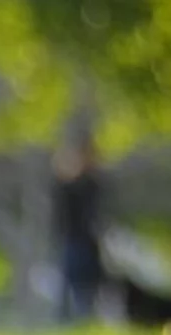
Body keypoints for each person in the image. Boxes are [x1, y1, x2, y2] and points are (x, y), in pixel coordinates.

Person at [52, 128, 107, 323]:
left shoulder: (93, 184)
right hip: (73, 240)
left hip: (88, 242)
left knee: (88, 286)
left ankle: (84, 320)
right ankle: (70, 322)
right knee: (72, 284)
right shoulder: (69, 186)